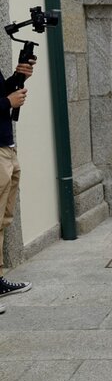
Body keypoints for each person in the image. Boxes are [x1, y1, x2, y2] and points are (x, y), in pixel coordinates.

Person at [0, 57, 36, 309]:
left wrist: (17, 78)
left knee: (3, 219)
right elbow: (4, 100)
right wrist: (7, 102)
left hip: (7, 149)